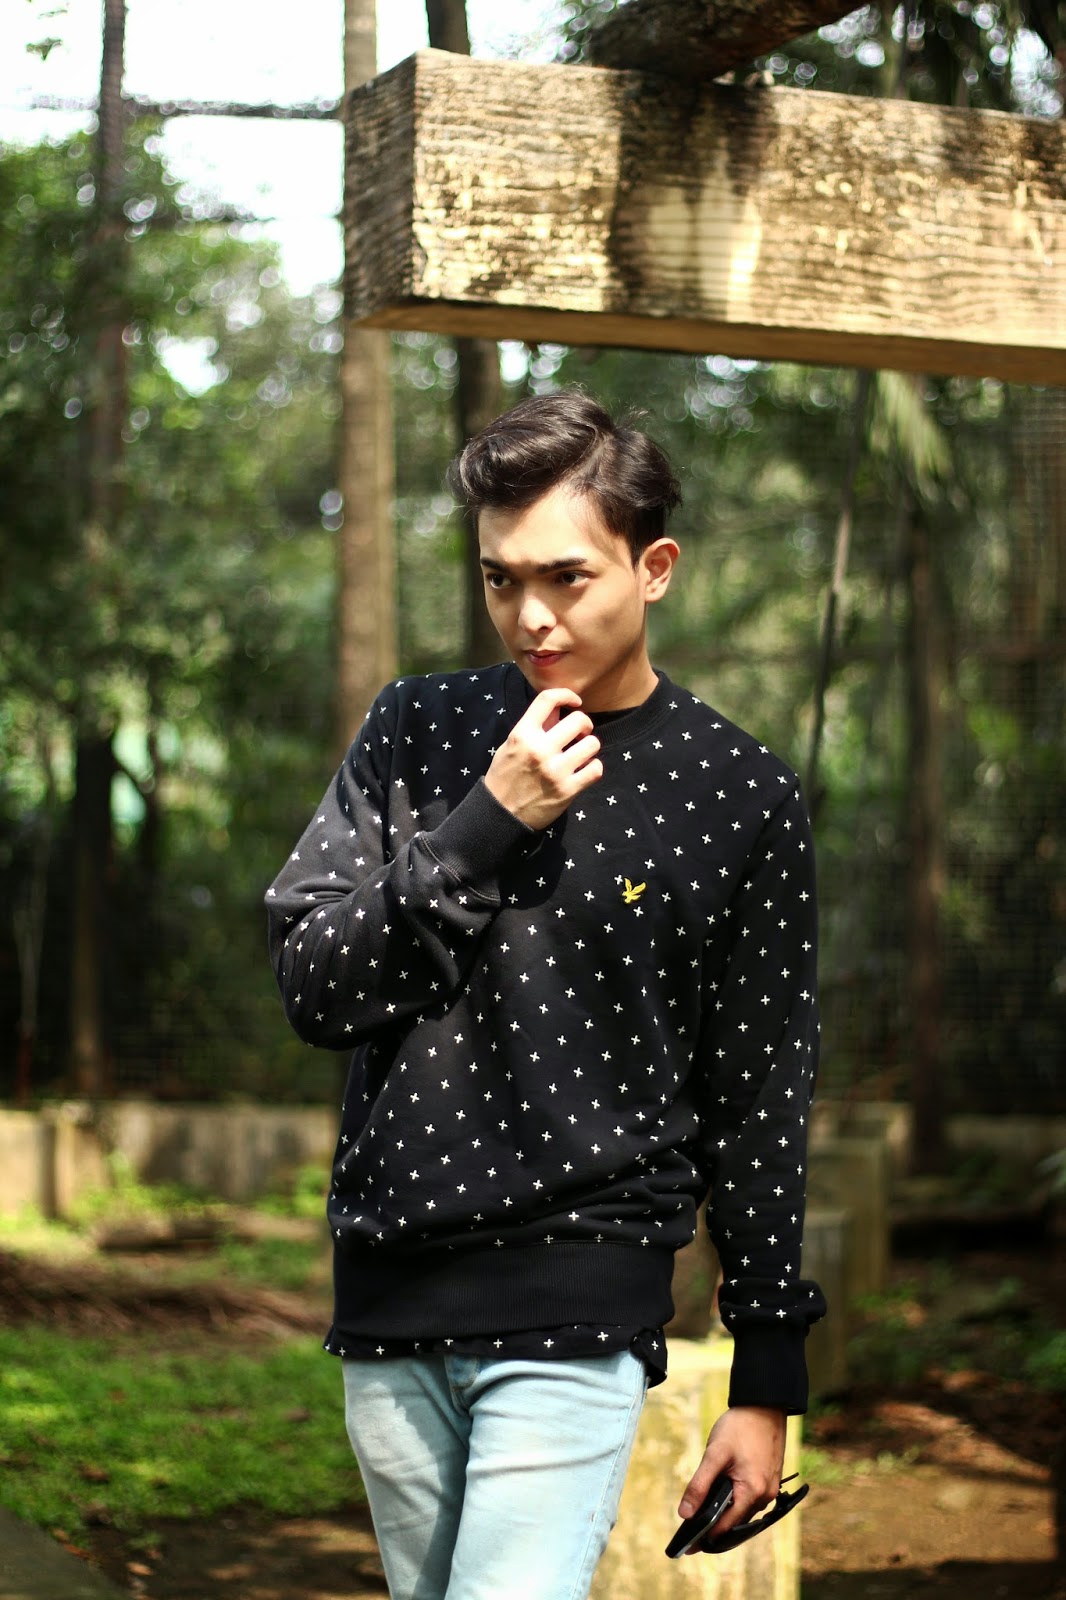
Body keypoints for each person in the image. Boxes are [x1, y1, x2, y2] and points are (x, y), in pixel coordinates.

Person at [265, 388, 826, 1600]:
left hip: (581, 1293)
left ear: (654, 568)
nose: (530, 615)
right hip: (391, 1292)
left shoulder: (740, 793)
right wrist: (484, 822)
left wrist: (766, 1375)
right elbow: (313, 985)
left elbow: (759, 1098)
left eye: (566, 577)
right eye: (499, 578)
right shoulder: (417, 728)